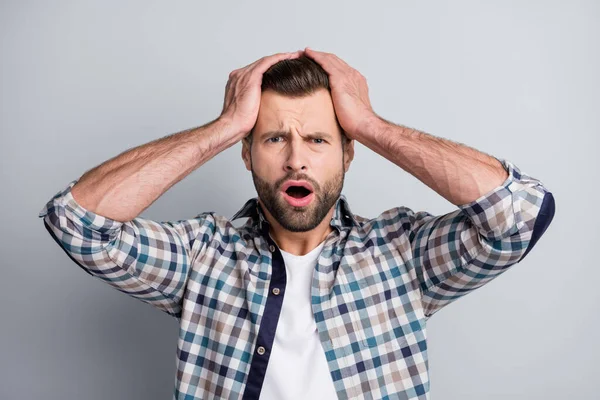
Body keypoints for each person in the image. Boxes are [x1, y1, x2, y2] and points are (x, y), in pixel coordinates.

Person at [38, 48, 556, 400]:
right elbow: (78, 222)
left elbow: (521, 215)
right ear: (246, 154)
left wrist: (371, 125)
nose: (295, 160)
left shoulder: (402, 254)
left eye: (318, 139)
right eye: (272, 139)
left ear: (348, 153)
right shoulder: (203, 255)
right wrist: (222, 128)